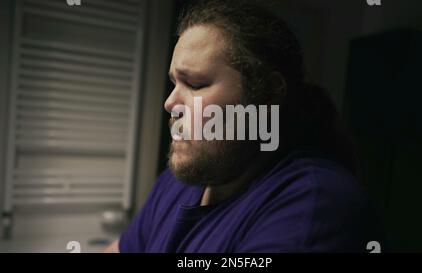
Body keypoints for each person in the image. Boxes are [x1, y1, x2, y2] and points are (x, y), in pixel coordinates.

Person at [105, 0, 383, 253]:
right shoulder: (172, 184)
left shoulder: (316, 204)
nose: (169, 103)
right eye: (174, 83)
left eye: (195, 84)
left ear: (267, 93)